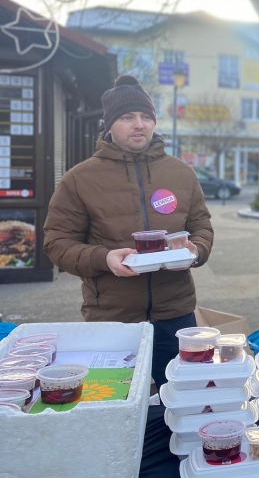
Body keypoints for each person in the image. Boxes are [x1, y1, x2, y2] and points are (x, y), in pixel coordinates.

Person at [44, 75, 214, 387]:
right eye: (127, 117)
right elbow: (57, 242)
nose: (139, 124)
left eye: (146, 116)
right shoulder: (79, 179)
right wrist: (104, 258)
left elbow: (201, 227)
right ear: (109, 125)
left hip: (175, 314)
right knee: (117, 399)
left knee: (179, 397)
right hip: (112, 318)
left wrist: (196, 251)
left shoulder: (181, 173)